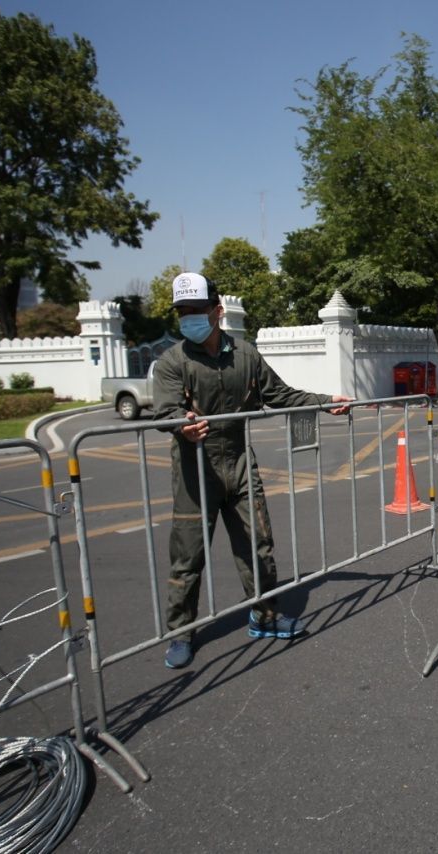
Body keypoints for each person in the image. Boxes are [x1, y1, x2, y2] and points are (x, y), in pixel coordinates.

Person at [153, 272, 353, 669]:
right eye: (182, 311)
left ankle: (264, 616)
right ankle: (181, 633)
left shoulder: (245, 355)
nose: (188, 317)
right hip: (195, 470)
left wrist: (325, 401)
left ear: (217, 311)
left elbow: (279, 394)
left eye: (196, 309)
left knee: (257, 545)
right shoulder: (172, 361)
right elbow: (166, 412)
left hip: (241, 463)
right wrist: (182, 424)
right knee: (188, 556)